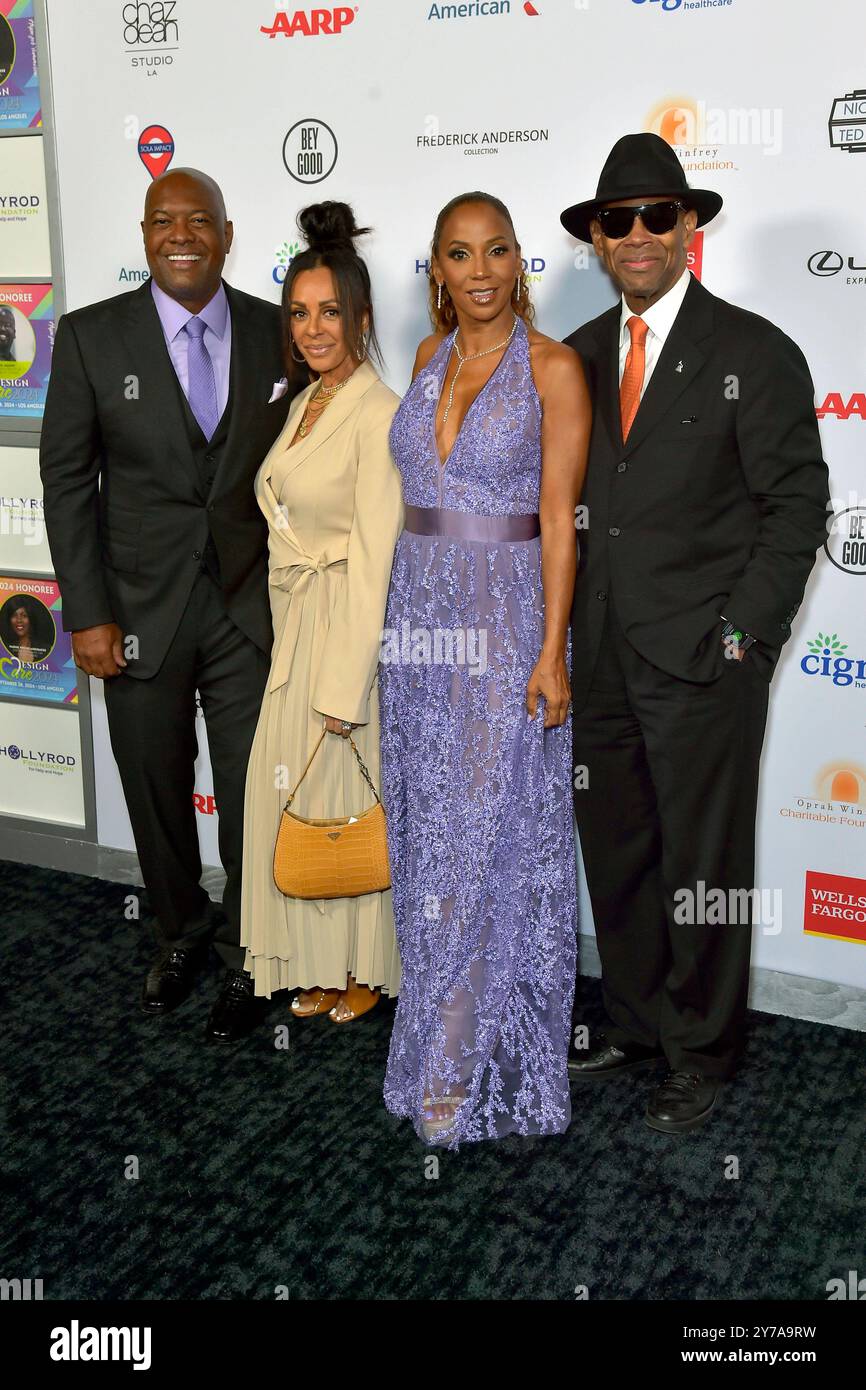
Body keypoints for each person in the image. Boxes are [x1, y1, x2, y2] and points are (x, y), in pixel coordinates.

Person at [560, 134, 830, 1131]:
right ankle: (634, 1021)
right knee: (619, 849)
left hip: (701, 662)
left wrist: (739, 639)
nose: (637, 235)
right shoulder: (574, 359)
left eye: (656, 216)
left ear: (687, 229)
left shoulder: (751, 352)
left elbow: (796, 506)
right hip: (598, 659)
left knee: (703, 866)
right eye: (617, 219)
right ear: (595, 238)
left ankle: (702, 1049)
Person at [40, 168, 295, 1041]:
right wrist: (86, 611)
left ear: (228, 234)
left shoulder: (277, 333)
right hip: (136, 613)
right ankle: (183, 931)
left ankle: (248, 953)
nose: (179, 234)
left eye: (198, 221)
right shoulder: (87, 339)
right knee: (154, 785)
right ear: (145, 234)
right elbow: (68, 482)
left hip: (246, 609)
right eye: (163, 220)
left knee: (249, 790)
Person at [380, 191, 590, 1146]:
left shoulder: (554, 371)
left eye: (496, 250)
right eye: (459, 254)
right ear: (437, 267)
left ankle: (462, 1066)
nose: (479, 271)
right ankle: (433, 1036)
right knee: (430, 837)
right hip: (418, 623)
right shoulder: (426, 360)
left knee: (481, 842)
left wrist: (550, 654)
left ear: (518, 264)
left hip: (504, 631)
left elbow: (558, 522)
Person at [240, 202, 404, 1024]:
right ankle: (315, 961)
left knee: (345, 805)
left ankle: (365, 968)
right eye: (299, 314)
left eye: (330, 313)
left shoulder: (379, 411)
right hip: (296, 630)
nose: (313, 329)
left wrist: (343, 687)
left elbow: (375, 557)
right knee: (300, 803)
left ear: (362, 319)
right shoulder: (305, 401)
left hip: (346, 638)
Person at [0, 594, 54, 663]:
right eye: (14, 615)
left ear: (30, 619)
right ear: (9, 620)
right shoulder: (3, 648)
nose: (19, 620)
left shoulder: (46, 649)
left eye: (24, 616)